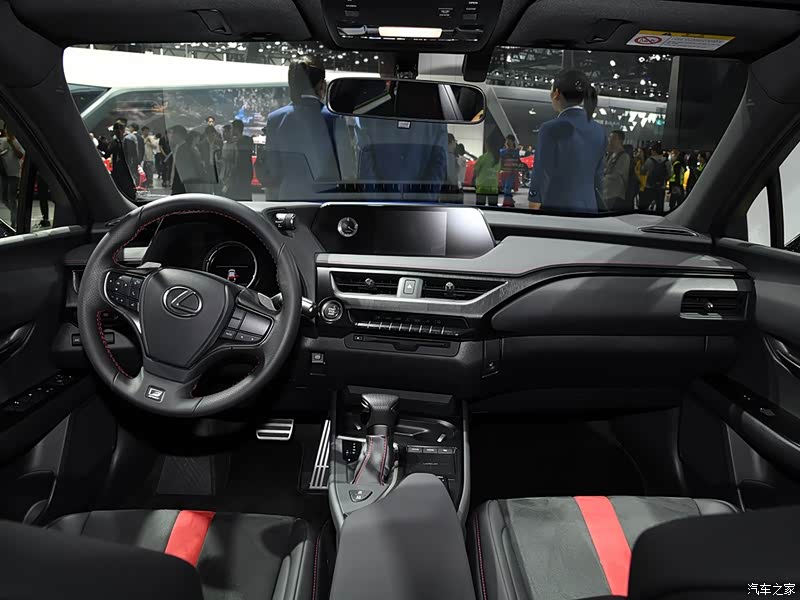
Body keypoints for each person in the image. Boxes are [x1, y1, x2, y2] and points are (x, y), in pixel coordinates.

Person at [528, 70, 607, 213]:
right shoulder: (599, 130)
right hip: (590, 208)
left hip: (556, 207)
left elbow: (541, 173)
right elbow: (599, 177)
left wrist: (534, 202)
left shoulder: (550, 128)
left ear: (556, 93)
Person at [263, 56, 340, 200]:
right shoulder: (334, 118)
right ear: (321, 84)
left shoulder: (275, 118)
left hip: (288, 197)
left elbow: (273, 168)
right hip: (326, 199)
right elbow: (347, 169)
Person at [168, 125, 206, 195]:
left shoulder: (186, 150)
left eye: (172, 133)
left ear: (178, 135)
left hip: (185, 187)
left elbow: (194, 168)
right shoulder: (179, 148)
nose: (171, 136)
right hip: (181, 186)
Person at [223, 119, 254, 200]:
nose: (231, 131)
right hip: (246, 176)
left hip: (238, 178)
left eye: (232, 128)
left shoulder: (239, 143)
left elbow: (237, 162)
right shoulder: (247, 141)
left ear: (236, 129)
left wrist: (230, 178)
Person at [0, 127, 25, 228]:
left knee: (11, 198)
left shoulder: (17, 142)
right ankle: (17, 214)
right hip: (4, 173)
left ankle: (14, 222)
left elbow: (20, 155)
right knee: (4, 199)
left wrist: (11, 144)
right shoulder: (2, 141)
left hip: (14, 174)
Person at [603, 130, 631, 212]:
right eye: (610, 137)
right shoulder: (611, 155)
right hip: (607, 193)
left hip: (615, 194)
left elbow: (616, 175)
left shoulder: (624, 157)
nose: (610, 140)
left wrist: (601, 178)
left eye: (613, 138)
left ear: (620, 141)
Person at [641, 142, 672, 215]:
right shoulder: (667, 161)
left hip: (649, 186)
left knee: (644, 207)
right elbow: (670, 174)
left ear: (654, 151)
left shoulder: (649, 160)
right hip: (661, 187)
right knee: (659, 208)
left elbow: (643, 171)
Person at [108, 121, 136, 200]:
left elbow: (132, 155)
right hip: (120, 167)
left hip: (124, 167)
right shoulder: (116, 142)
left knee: (126, 185)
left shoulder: (126, 140)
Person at [197, 124, 222, 190]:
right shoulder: (201, 144)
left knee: (218, 187)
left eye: (213, 135)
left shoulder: (219, 142)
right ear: (207, 135)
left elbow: (221, 155)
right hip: (207, 167)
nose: (212, 137)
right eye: (210, 135)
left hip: (217, 167)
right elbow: (200, 156)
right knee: (207, 187)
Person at [499, 135, 521, 208]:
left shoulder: (516, 152)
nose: (507, 142)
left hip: (512, 173)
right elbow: (500, 162)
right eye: (506, 141)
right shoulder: (502, 151)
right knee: (505, 188)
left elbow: (518, 162)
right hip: (504, 173)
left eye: (509, 141)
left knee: (507, 189)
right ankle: (510, 201)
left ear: (513, 142)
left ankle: (507, 203)